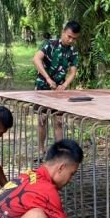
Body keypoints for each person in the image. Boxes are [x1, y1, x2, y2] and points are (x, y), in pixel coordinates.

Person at [33, 20, 81, 151]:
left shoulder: (73, 50)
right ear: (63, 32)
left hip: (59, 90)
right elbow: (36, 59)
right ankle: (41, 150)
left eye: (74, 38)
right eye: (69, 36)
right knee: (42, 120)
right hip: (43, 87)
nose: (71, 40)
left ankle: (59, 152)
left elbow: (73, 71)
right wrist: (48, 79)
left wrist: (64, 85)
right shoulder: (50, 44)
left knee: (59, 121)